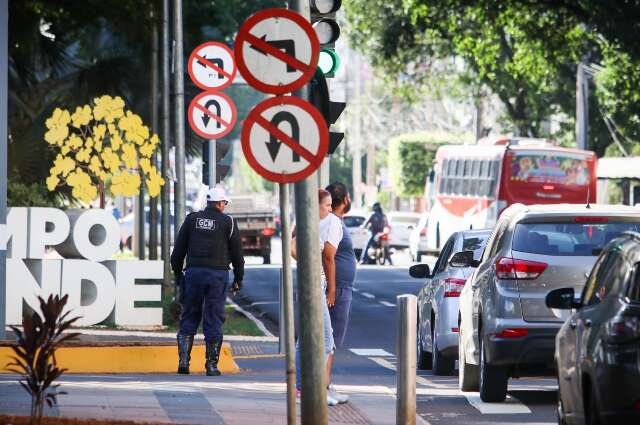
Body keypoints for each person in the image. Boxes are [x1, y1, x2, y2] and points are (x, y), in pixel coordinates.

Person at [170, 187, 244, 376]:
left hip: (194, 274)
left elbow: (178, 252)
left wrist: (179, 275)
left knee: (189, 316)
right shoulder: (229, 223)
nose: (225, 206)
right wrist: (238, 278)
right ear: (220, 204)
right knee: (213, 318)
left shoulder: (192, 219)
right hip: (217, 277)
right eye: (224, 203)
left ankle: (184, 362)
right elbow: (237, 254)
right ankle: (211, 366)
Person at [292, 189, 340, 406]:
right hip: (313, 284)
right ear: (315, 205)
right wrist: (331, 288)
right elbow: (294, 248)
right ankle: (314, 390)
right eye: (327, 205)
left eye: (331, 205)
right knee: (327, 340)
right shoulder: (311, 225)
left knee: (305, 339)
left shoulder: (308, 223)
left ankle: (302, 389)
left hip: (311, 282)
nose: (330, 210)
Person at [324, 182, 358, 404]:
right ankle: (322, 388)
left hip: (340, 287)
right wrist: (333, 289)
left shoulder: (333, 222)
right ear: (345, 199)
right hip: (337, 289)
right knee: (329, 341)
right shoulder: (333, 222)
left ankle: (326, 384)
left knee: (331, 341)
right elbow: (328, 256)